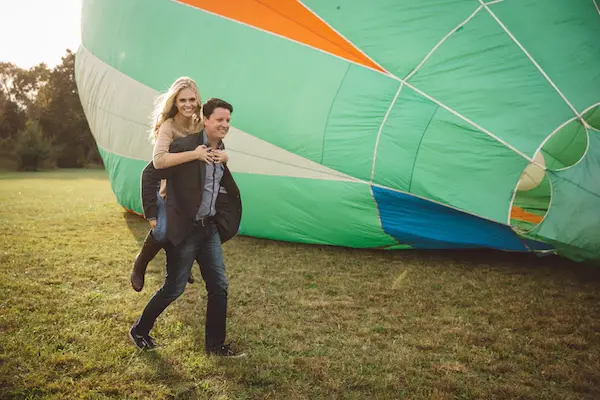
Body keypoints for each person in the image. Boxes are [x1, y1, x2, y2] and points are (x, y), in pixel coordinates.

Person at [129, 98, 244, 357]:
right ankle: (139, 330)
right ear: (205, 120)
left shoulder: (220, 150)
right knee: (174, 288)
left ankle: (215, 346)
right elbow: (150, 174)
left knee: (219, 285)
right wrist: (152, 214)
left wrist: (226, 159)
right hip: (185, 230)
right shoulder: (185, 147)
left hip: (209, 228)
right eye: (220, 120)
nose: (225, 125)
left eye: (228, 121)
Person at [130, 77, 229, 292]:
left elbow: (215, 140)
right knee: (164, 230)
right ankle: (141, 263)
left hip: (190, 189)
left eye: (192, 99)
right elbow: (158, 162)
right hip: (166, 189)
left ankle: (180, 265)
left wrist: (225, 156)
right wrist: (194, 154)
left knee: (191, 227)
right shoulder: (169, 126)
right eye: (182, 99)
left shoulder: (199, 122)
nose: (188, 104)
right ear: (175, 102)